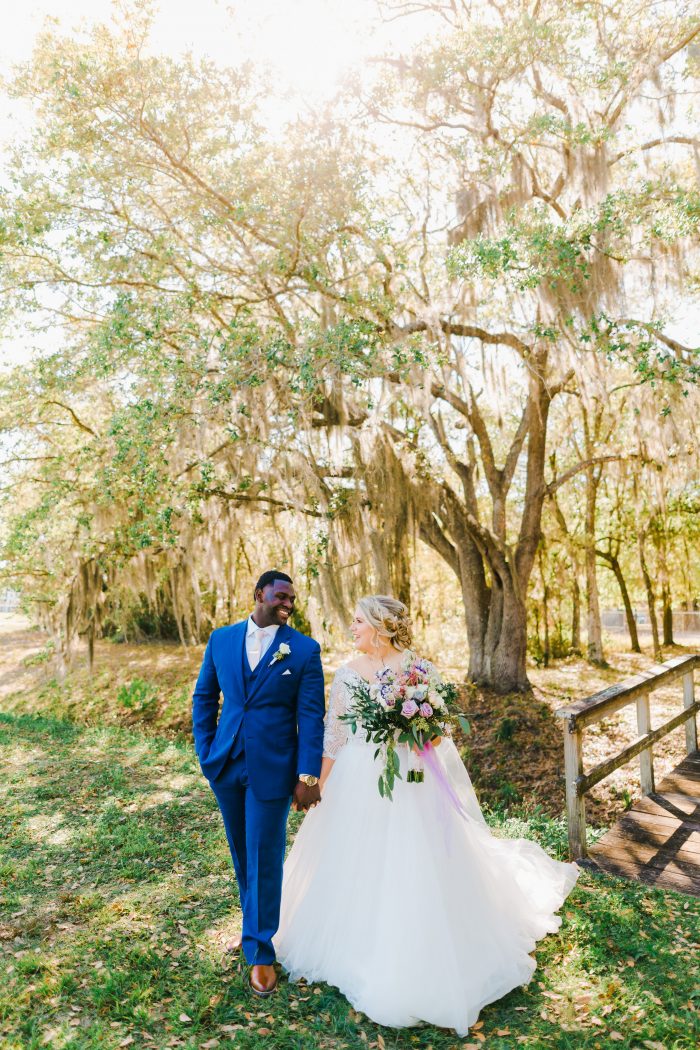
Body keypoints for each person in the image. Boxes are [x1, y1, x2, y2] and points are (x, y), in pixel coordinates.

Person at [274, 594, 579, 1036]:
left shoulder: (421, 671)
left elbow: (438, 736)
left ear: (380, 626)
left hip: (413, 781)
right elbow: (335, 738)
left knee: (419, 857)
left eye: (358, 621)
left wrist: (413, 724)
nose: (352, 628)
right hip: (361, 781)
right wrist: (317, 785)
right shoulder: (346, 674)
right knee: (359, 860)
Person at [192, 570, 325, 997]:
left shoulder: (303, 650)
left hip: (274, 767)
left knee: (265, 854)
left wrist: (307, 776)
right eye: (280, 596)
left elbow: (311, 716)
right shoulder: (221, 640)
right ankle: (254, 930)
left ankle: (262, 952)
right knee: (242, 851)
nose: (287, 604)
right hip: (227, 763)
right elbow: (204, 697)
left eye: (292, 599)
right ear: (259, 595)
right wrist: (206, 748)